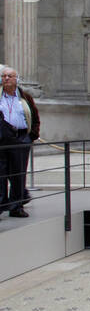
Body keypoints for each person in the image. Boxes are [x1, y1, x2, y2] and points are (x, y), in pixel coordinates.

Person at [0, 67, 36, 218]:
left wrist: (32, 135)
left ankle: (16, 207)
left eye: (10, 76)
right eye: (4, 76)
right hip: (2, 139)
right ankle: (1, 205)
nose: (6, 78)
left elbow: (34, 115)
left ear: (17, 79)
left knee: (18, 174)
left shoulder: (25, 97)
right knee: (1, 174)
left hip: (20, 138)